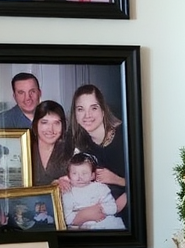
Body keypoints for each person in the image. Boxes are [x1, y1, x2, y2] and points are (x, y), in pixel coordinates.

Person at [67, 85, 127, 222]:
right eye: (80, 109)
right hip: (101, 215)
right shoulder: (82, 146)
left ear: (103, 110)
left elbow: (146, 182)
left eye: (93, 108)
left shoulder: (125, 135)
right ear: (75, 114)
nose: (87, 115)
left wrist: (117, 180)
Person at [62, 151, 119, 231]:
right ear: (69, 176)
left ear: (92, 175)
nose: (79, 177)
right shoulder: (68, 193)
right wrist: (84, 214)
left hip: (104, 221)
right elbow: (66, 218)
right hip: (83, 226)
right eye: (74, 173)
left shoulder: (100, 188)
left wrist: (101, 208)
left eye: (84, 173)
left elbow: (113, 208)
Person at [29, 100, 71, 187]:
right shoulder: (26, 147)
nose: (51, 129)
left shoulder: (70, 149)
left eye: (56, 123)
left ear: (63, 125)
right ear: (35, 124)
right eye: (44, 122)